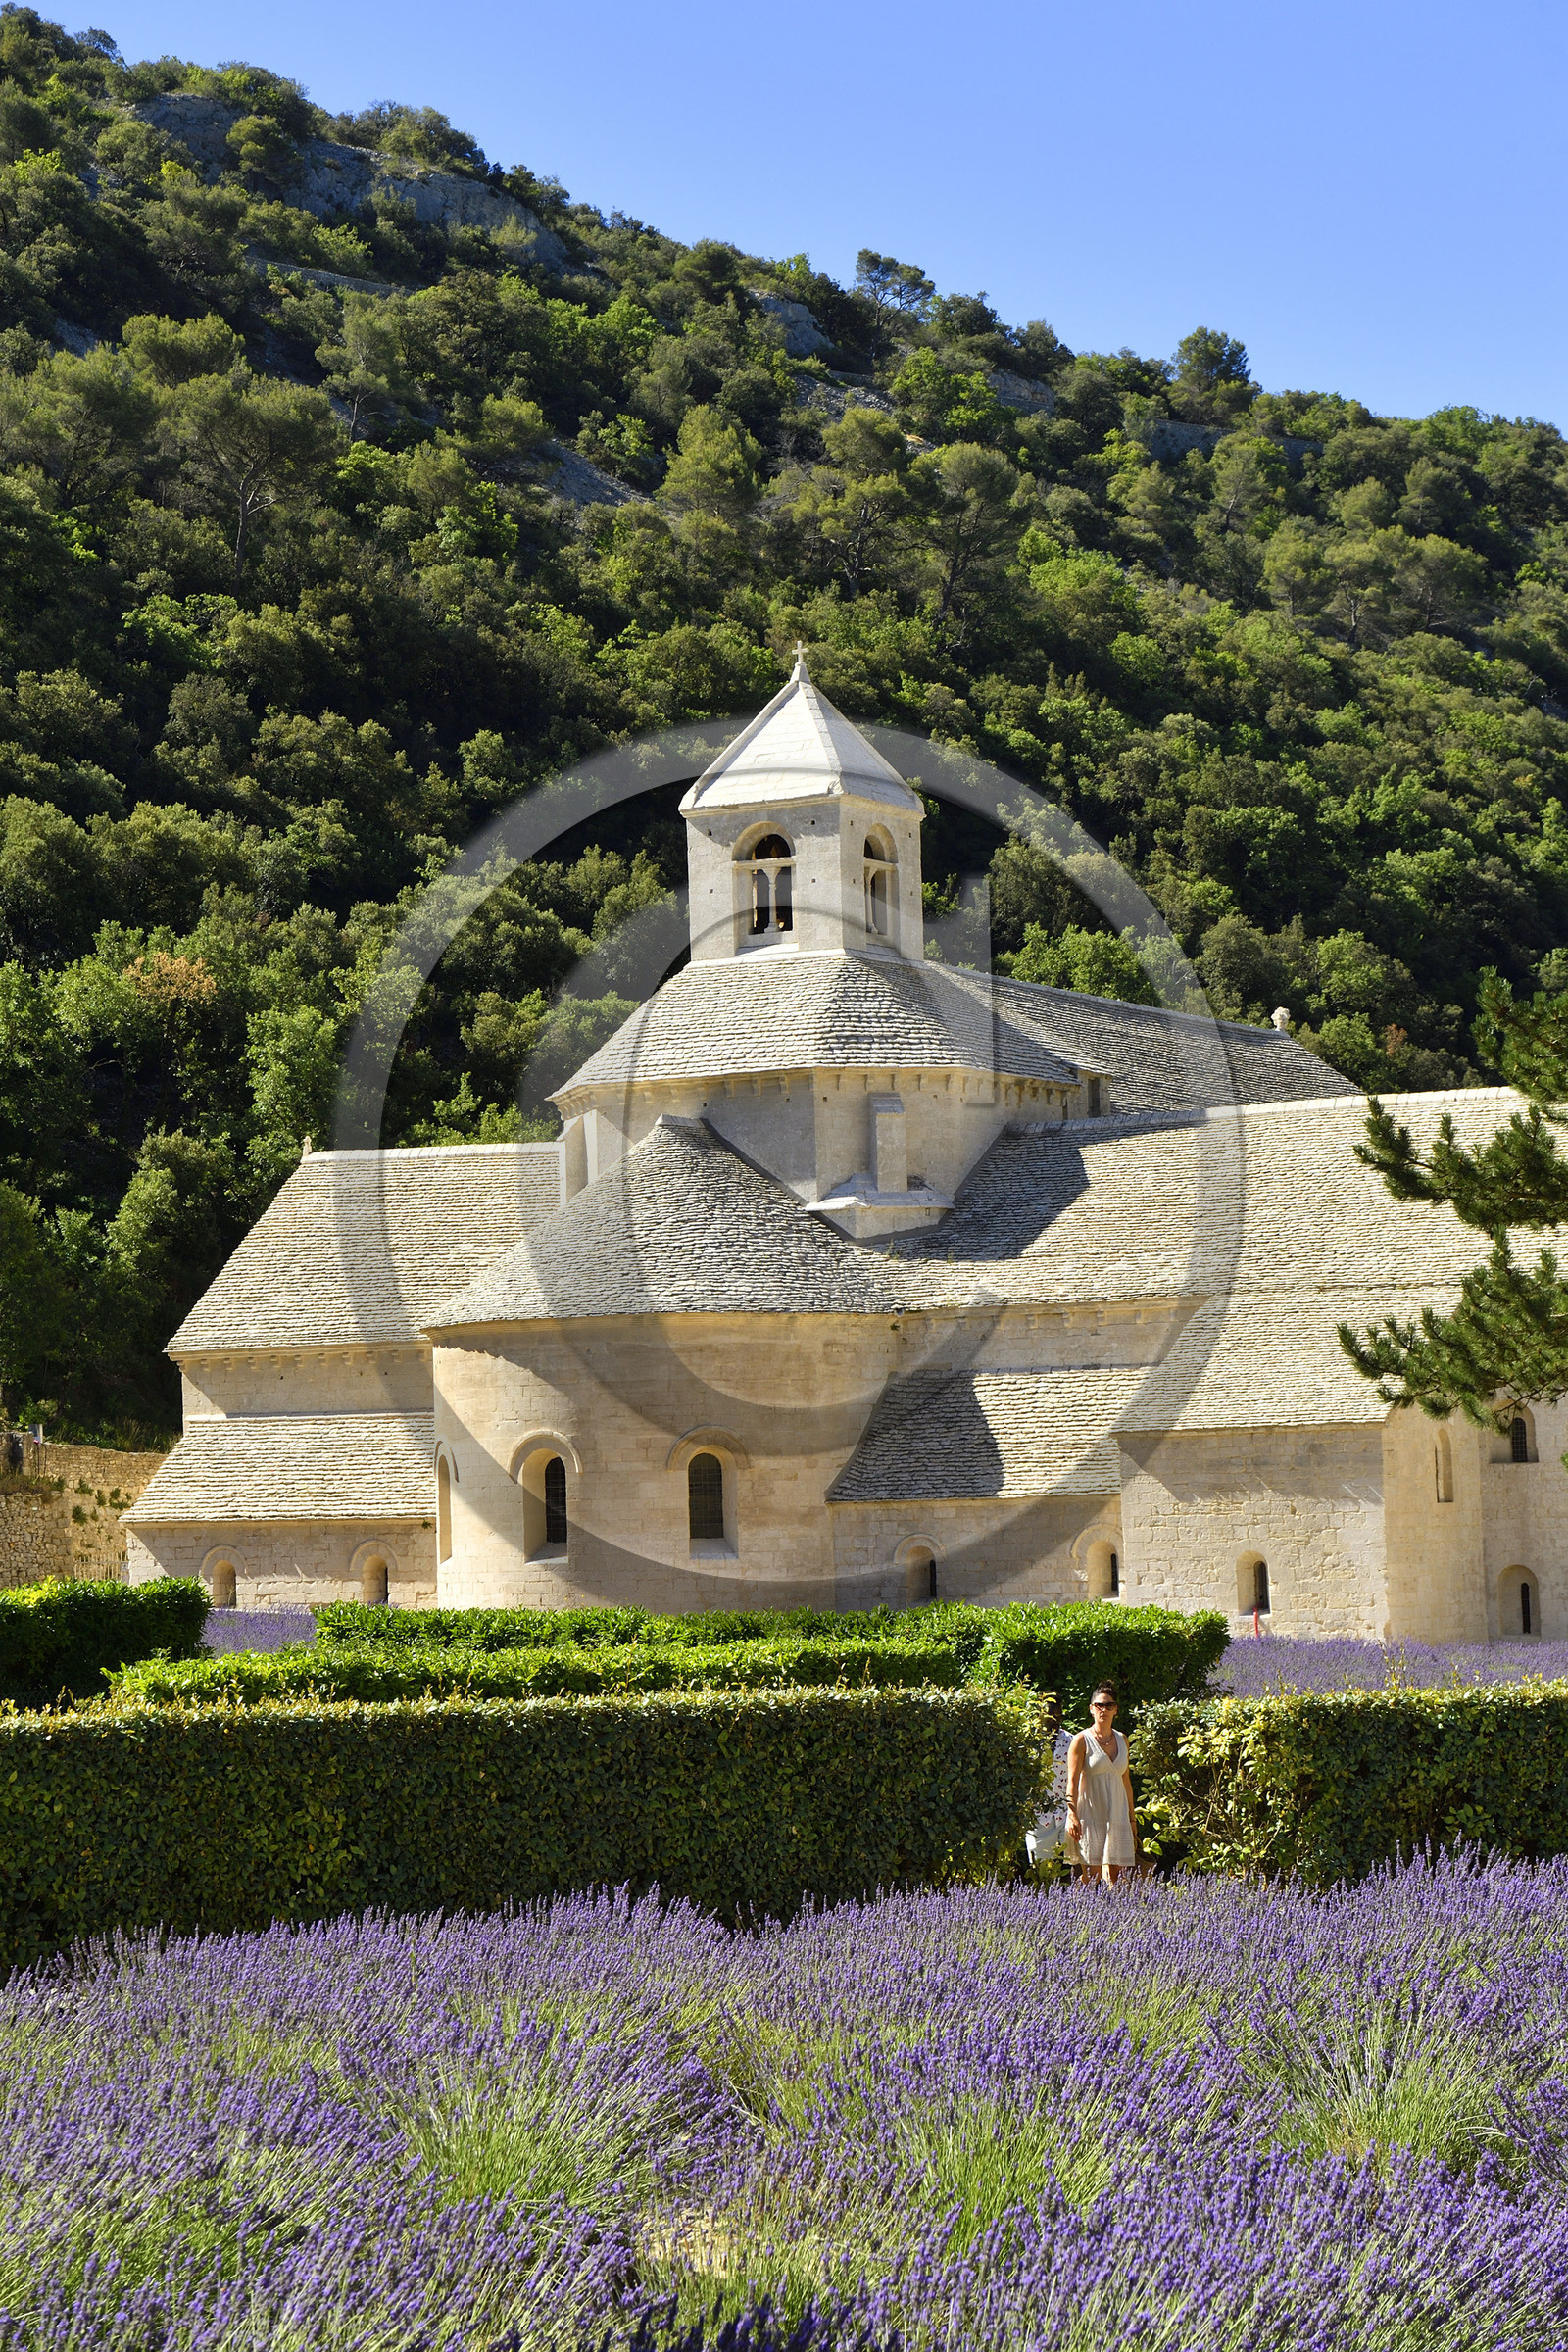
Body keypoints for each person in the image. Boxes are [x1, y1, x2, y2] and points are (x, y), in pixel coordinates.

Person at [1065, 1681, 1139, 1885]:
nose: (1103, 1710)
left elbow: (1126, 1781)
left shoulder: (1122, 1739)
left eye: (1108, 1706)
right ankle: (1079, 1913)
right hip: (1090, 1817)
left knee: (1119, 1877)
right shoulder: (1081, 1740)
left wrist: (1132, 1820)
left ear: (1116, 1710)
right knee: (1091, 1876)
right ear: (1091, 1709)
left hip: (1117, 1815)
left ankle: (1119, 1914)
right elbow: (1071, 1781)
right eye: (1099, 1705)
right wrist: (1072, 1814)